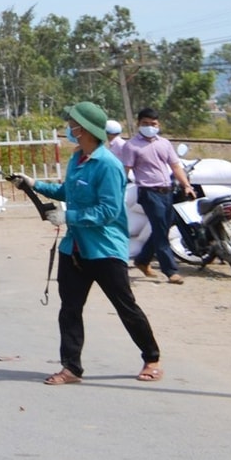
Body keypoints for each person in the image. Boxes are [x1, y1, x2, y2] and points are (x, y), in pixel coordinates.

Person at [12, 101, 162, 385]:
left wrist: (69, 216)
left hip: (105, 250)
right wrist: (33, 183)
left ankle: (152, 357)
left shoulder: (108, 166)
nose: (69, 127)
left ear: (86, 130)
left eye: (73, 123)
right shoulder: (77, 159)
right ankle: (71, 368)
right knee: (69, 308)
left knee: (125, 306)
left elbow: (108, 211)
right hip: (75, 249)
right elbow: (66, 191)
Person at [108, 108, 194, 284]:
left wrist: (186, 185)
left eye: (153, 124)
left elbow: (175, 165)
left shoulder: (164, 143)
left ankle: (142, 260)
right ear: (138, 124)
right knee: (161, 231)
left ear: (158, 125)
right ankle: (170, 271)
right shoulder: (132, 146)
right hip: (149, 193)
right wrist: (116, 190)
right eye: (145, 124)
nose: (149, 127)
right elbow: (125, 170)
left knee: (163, 227)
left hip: (167, 191)